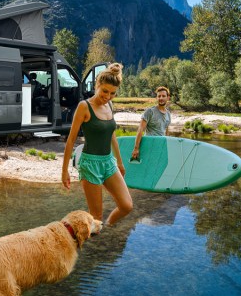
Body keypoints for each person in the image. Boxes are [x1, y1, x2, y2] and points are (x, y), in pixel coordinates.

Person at [61, 63, 133, 226]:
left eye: (113, 93)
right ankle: (87, 242)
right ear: (97, 86)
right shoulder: (84, 107)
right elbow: (71, 140)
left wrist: (120, 162)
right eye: (105, 91)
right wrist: (64, 170)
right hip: (90, 164)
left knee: (126, 206)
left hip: (109, 163)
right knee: (96, 216)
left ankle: (107, 228)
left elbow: (112, 134)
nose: (108, 96)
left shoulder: (109, 105)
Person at [131, 86, 171, 161]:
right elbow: (140, 129)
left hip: (160, 147)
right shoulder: (150, 111)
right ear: (156, 98)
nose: (161, 98)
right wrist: (136, 148)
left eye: (163, 96)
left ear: (168, 98)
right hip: (149, 145)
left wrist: (167, 146)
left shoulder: (168, 114)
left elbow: (166, 131)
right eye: (159, 96)